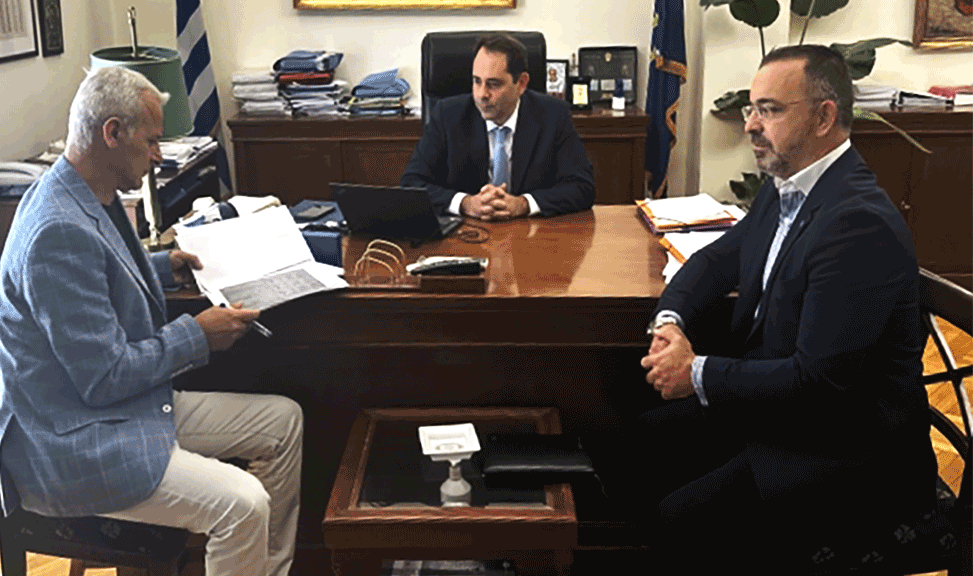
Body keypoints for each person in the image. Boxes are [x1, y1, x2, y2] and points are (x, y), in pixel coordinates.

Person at [0, 66, 303, 576]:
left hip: (117, 410)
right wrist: (197, 336)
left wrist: (161, 265)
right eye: (153, 141)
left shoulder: (80, 189)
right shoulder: (56, 230)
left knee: (282, 422)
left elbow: (97, 270)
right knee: (243, 504)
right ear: (112, 132)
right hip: (73, 441)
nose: (159, 156)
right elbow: (104, 378)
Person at [636, 45, 937, 570]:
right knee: (641, 439)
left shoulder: (856, 223)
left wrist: (696, 372)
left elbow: (818, 384)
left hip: (848, 451)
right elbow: (715, 261)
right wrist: (671, 323)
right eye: (751, 109)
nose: (751, 125)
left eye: (769, 110)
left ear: (823, 117)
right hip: (789, 412)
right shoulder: (787, 186)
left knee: (677, 517)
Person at [400, 32, 595, 221]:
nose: (481, 94)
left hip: (530, 233)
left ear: (521, 83)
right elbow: (411, 184)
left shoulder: (552, 115)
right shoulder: (448, 115)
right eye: (477, 81)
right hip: (466, 232)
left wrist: (524, 204)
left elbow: (582, 186)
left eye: (493, 84)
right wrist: (466, 203)